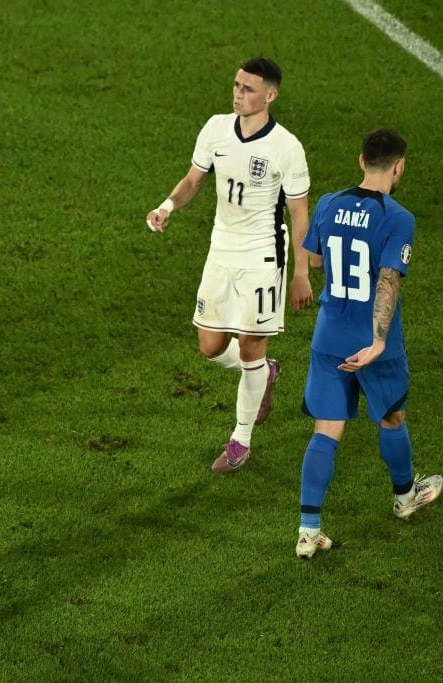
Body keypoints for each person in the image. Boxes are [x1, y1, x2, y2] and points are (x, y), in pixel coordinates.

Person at [146, 57, 313, 473]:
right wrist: (167, 206)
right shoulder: (216, 128)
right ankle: (264, 373)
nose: (238, 93)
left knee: (251, 343)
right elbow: (193, 181)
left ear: (270, 96)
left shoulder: (286, 148)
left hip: (263, 255)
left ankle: (241, 440)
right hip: (221, 250)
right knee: (211, 347)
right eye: (237, 85)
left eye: (248, 89)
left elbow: (299, 214)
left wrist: (301, 272)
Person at [295, 129, 443, 559]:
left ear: (361, 160)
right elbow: (388, 279)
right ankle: (403, 498)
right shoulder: (398, 217)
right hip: (374, 342)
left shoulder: (328, 203)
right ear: (399, 166)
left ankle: (308, 531)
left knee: (326, 431)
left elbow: (317, 258)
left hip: (329, 335)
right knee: (392, 417)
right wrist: (378, 341)